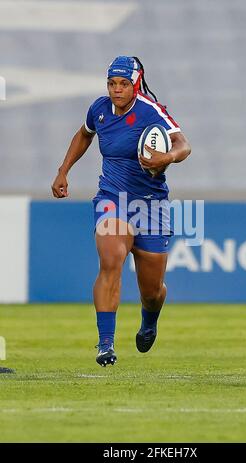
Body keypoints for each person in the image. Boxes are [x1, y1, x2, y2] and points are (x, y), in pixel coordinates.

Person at [51, 56, 191, 367]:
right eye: (112, 84)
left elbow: (184, 145)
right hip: (112, 198)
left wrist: (165, 157)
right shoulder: (99, 110)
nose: (116, 90)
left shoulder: (150, 111)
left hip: (150, 205)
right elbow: (84, 134)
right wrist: (63, 171)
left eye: (123, 84)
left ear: (135, 84)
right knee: (111, 260)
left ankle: (149, 321)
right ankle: (105, 345)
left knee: (152, 291)